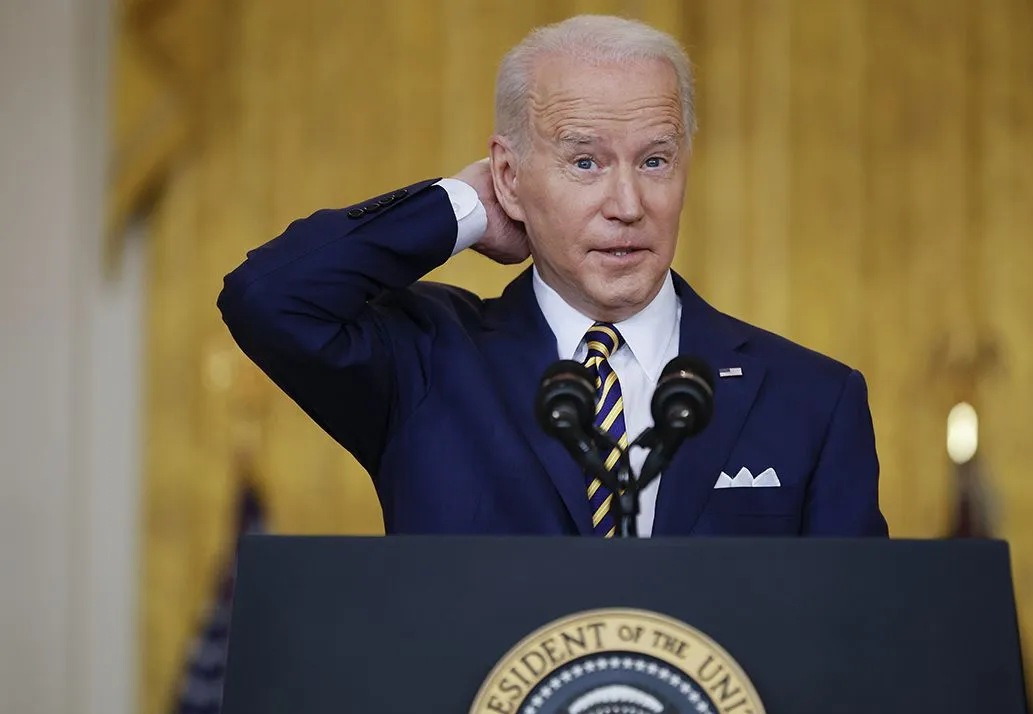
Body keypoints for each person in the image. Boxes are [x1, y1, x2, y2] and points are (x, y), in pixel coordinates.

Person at [218, 14, 888, 539]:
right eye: (586, 164)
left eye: (655, 161)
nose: (628, 206)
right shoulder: (426, 364)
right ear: (511, 175)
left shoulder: (812, 400)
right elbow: (269, 297)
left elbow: (857, 648)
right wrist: (465, 208)